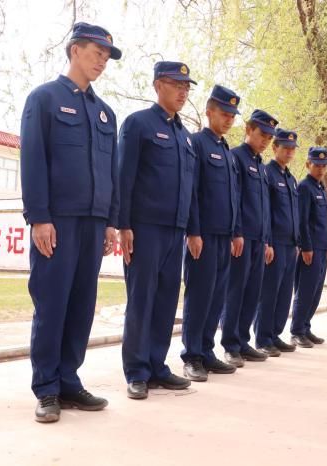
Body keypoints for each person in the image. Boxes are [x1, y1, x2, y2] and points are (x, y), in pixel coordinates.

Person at [20, 22, 122, 423]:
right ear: (75, 50)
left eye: (107, 57)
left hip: (94, 224)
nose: (102, 62)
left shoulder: (105, 113)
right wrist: (39, 218)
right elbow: (33, 160)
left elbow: (111, 172)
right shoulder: (44, 99)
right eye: (97, 53)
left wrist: (111, 222)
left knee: (81, 305)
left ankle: (69, 381)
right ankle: (46, 388)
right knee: (52, 303)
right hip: (57, 222)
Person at [117, 62, 202, 400]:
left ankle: (157, 366)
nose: (183, 92)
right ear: (157, 86)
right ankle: (137, 372)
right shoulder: (138, 124)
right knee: (142, 300)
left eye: (186, 87)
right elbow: (124, 177)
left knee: (166, 301)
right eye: (176, 85)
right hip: (144, 229)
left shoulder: (184, 136)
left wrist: (193, 229)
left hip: (175, 231)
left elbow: (191, 189)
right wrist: (123, 224)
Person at [181, 85, 241, 381]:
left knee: (217, 297)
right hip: (202, 236)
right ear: (209, 112)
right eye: (224, 113)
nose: (229, 119)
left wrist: (236, 231)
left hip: (224, 236)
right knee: (199, 297)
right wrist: (193, 231)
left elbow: (233, 196)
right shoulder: (196, 143)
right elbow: (191, 192)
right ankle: (191, 355)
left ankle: (206, 351)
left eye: (232, 115)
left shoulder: (227, 151)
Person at [220, 110, 277, 367]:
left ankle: (243, 341)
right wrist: (237, 232)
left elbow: (265, 207)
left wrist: (267, 240)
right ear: (248, 130)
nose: (265, 140)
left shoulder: (261, 166)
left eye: (269, 137)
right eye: (262, 134)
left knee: (252, 292)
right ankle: (230, 345)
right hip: (242, 238)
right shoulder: (236, 158)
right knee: (235, 291)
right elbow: (234, 199)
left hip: (259, 240)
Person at [255, 129, 300, 356]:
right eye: (285, 148)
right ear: (275, 148)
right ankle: (263, 338)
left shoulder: (291, 179)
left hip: (290, 245)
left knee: (284, 293)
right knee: (269, 293)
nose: (289, 152)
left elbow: (294, 214)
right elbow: (266, 212)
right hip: (275, 244)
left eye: (292, 149)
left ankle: (274, 334)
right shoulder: (267, 173)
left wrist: (298, 242)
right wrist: (268, 242)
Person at [290, 147, 327, 348]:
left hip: (322, 248)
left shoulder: (320, 188)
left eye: (324, 166)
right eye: (317, 165)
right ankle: (297, 331)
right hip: (311, 249)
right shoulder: (305, 187)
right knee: (305, 291)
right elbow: (302, 220)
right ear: (308, 164)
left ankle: (305, 327)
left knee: (315, 292)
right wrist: (306, 247)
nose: (321, 169)